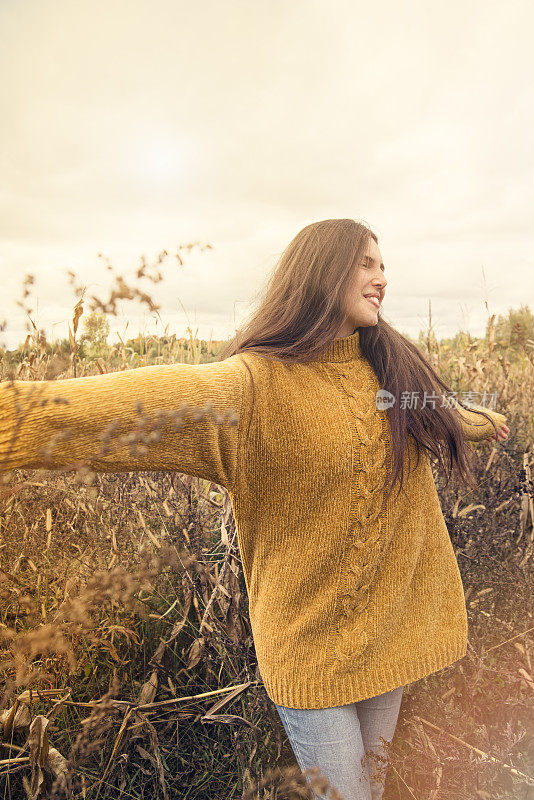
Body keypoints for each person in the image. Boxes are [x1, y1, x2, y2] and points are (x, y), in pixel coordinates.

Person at [0, 219, 509, 800]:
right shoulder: (254, 389)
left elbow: (427, 408)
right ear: (322, 274)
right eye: (366, 264)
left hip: (388, 623)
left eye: (382, 264)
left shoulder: (387, 366)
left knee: (372, 784)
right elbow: (122, 406)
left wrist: (474, 421)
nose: (382, 278)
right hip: (311, 645)